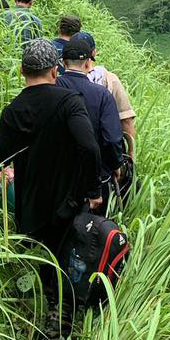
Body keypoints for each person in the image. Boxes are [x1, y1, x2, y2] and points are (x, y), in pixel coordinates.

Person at [0, 39, 101, 340]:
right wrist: (93, 189)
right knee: (68, 257)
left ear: (22, 70)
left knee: (45, 258)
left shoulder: (13, 111)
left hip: (30, 201)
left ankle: (47, 313)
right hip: (67, 199)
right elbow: (89, 147)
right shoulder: (70, 102)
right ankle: (64, 321)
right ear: (55, 70)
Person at [55, 35, 123, 215]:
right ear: (87, 63)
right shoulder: (102, 95)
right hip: (96, 178)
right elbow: (112, 138)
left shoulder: (52, 90)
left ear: (63, 62)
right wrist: (116, 165)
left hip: (57, 178)